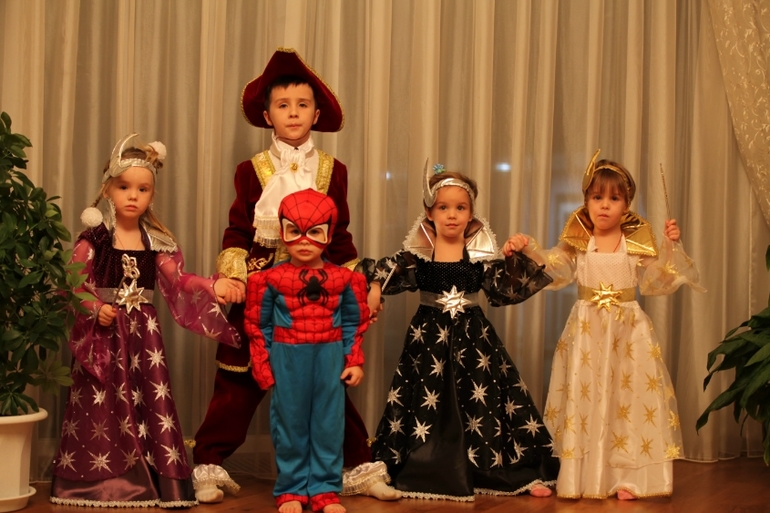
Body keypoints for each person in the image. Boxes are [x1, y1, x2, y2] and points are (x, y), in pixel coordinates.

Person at [192, 47, 397, 503]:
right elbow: (238, 230)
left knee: (329, 380)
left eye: (302, 105)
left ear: (316, 114)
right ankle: (209, 463)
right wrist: (233, 275)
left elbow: (340, 237)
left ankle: (356, 465)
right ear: (268, 115)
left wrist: (362, 288)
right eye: (283, 105)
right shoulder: (250, 170)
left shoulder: (333, 171)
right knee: (238, 378)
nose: (293, 112)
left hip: (318, 292)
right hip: (263, 288)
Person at [49, 135, 244, 508]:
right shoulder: (93, 240)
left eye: (143, 189)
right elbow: (73, 285)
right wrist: (96, 308)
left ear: (152, 195)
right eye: (124, 187)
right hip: (106, 336)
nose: (133, 196)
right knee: (103, 404)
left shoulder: (156, 242)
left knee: (149, 400)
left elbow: (179, 281)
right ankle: (99, 482)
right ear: (108, 189)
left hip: (144, 338)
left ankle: (159, 480)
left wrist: (212, 285)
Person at [508, 150, 705, 499]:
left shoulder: (635, 242)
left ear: (626, 205)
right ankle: (582, 476)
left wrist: (671, 247)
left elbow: (658, 279)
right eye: (597, 197)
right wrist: (528, 250)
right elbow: (554, 267)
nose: (604, 206)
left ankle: (627, 477)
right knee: (587, 398)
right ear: (586, 200)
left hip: (628, 332)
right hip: (587, 331)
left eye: (614, 199)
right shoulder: (579, 240)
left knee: (626, 400)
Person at [358, 163, 560, 501]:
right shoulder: (418, 254)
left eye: (461, 208)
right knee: (426, 398)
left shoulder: (479, 255)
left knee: (481, 399)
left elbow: (505, 290)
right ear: (429, 212)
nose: (452, 215)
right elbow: (382, 271)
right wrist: (376, 287)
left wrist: (517, 253)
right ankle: (427, 465)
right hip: (428, 340)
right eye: (443, 207)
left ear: (471, 213)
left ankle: (498, 467)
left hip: (474, 338)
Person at [244, 189, 369, 513]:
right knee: (290, 423)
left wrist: (354, 360)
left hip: (330, 357)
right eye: (294, 231)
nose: (303, 241)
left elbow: (354, 322)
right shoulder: (267, 280)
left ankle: (325, 490)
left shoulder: (346, 280)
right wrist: (263, 365)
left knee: (329, 424)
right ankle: (291, 488)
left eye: (314, 232)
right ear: (281, 231)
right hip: (287, 356)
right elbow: (258, 325)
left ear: (328, 233)